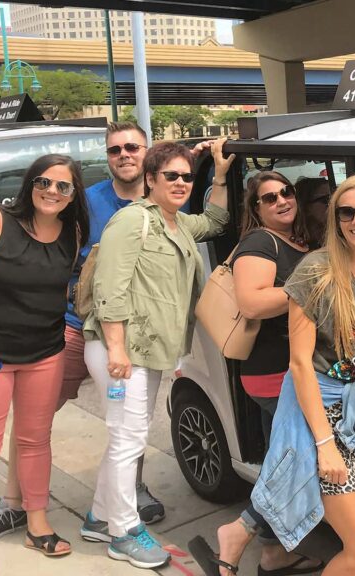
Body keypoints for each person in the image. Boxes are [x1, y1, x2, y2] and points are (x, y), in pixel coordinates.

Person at [0, 122, 162, 550]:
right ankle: (15, 503)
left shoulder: (163, 193)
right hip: (70, 328)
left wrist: (214, 176)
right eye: (114, 149)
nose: (124, 155)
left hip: (128, 332)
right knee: (36, 422)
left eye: (132, 147)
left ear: (148, 152)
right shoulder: (85, 201)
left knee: (130, 418)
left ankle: (126, 494)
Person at [83, 140, 232, 569]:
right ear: (150, 180)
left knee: (126, 438)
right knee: (128, 441)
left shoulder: (176, 223)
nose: (182, 182)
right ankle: (123, 533)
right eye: (172, 175)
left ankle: (98, 515)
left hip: (144, 352)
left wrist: (218, 174)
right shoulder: (132, 222)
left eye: (187, 176)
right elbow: (108, 290)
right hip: (122, 351)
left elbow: (216, 221)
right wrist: (116, 350)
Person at [0, 154, 91, 575]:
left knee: (35, 440)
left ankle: (37, 522)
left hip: (45, 353)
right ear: (30, 184)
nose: (52, 191)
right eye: (44, 182)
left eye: (63, 186)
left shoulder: (72, 232)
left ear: (72, 195)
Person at [251, 173, 355, 576]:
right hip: (321, 413)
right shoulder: (315, 271)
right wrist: (324, 445)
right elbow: (299, 363)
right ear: (335, 219)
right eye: (346, 212)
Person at [188, 171, 323, 576]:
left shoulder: (297, 239)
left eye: (286, 192)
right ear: (257, 208)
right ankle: (238, 532)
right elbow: (251, 303)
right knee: (304, 459)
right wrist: (319, 285)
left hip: (294, 367)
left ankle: (274, 554)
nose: (281, 200)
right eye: (269, 198)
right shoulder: (259, 242)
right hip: (275, 370)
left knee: (280, 459)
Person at [295, 176, 333, 249]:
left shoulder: (339, 232)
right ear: (306, 207)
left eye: (334, 197)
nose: (333, 204)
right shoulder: (300, 245)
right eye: (327, 199)